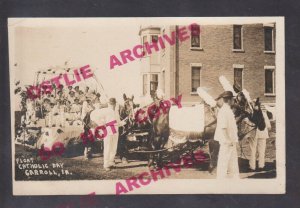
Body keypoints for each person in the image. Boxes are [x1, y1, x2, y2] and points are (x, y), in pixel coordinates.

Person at [214, 91, 240, 179]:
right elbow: (223, 127)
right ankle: (221, 180)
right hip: (226, 141)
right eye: (232, 99)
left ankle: (235, 179)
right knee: (224, 161)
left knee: (233, 161)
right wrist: (228, 140)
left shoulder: (228, 110)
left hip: (231, 140)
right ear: (229, 100)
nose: (234, 100)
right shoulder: (224, 111)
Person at [248, 101, 271, 171]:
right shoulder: (263, 112)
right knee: (262, 150)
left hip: (254, 133)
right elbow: (269, 124)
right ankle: (261, 165)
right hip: (263, 132)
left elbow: (249, 122)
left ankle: (252, 166)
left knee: (253, 150)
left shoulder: (251, 112)